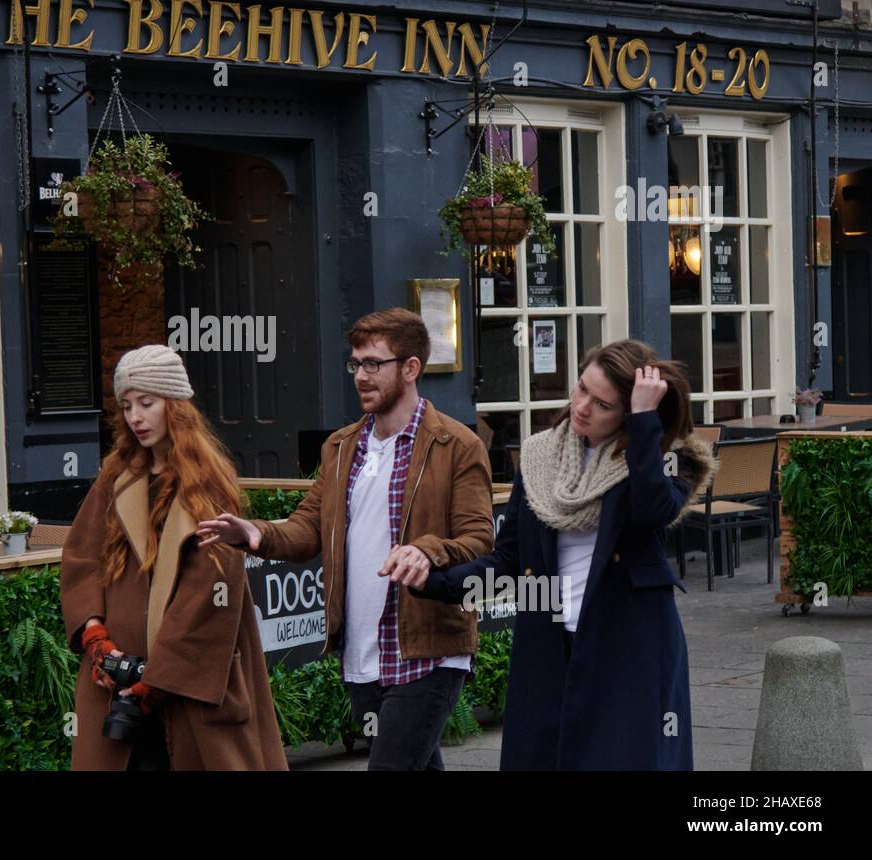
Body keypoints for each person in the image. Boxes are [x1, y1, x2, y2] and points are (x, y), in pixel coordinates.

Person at [199, 308, 494, 770]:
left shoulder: (456, 445)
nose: (361, 375)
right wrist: (257, 533)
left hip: (428, 648)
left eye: (374, 363)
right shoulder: (341, 447)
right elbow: (308, 527)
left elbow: (479, 536)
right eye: (356, 363)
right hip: (360, 651)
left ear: (411, 368)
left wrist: (425, 550)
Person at [411, 339, 714, 770]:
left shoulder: (663, 460)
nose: (583, 407)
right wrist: (434, 579)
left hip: (629, 647)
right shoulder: (539, 458)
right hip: (549, 645)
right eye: (581, 389)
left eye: (603, 404)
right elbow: (509, 561)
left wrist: (646, 421)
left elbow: (653, 510)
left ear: (628, 416)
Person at [61, 344, 287, 770]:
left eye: (147, 403)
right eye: (127, 405)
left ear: (175, 407)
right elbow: (82, 557)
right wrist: (96, 638)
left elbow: (211, 594)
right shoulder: (116, 477)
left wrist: (156, 679)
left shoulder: (208, 485)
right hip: (113, 682)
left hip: (191, 688)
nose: (135, 417)